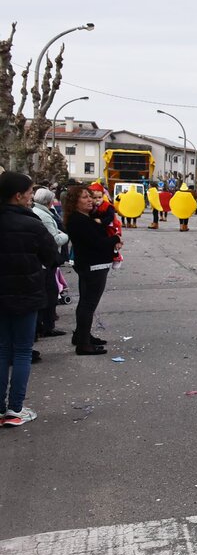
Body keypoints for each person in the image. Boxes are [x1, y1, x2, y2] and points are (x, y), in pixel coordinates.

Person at [0, 172, 59, 427]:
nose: (31, 196)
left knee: (2, 350)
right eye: (29, 192)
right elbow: (52, 257)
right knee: (22, 351)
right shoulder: (32, 223)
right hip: (26, 293)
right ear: (18, 195)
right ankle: (15, 409)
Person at [65, 185, 121, 355]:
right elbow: (97, 243)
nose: (90, 200)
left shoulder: (83, 218)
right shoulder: (79, 221)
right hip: (93, 266)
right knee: (88, 304)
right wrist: (115, 239)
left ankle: (82, 336)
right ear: (74, 202)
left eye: (90, 196)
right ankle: (83, 344)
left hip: (91, 264)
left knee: (85, 302)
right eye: (84, 197)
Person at [32, 187, 69, 338]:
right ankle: (46, 326)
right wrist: (65, 235)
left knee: (49, 291)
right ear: (49, 201)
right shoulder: (45, 216)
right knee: (50, 292)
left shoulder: (38, 211)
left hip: (43, 259)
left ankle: (43, 325)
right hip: (47, 259)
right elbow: (54, 239)